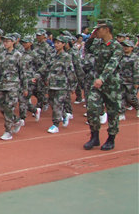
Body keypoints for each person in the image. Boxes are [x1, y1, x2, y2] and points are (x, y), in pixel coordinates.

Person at [83, 19, 123, 151]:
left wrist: (102, 78)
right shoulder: (98, 44)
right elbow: (87, 49)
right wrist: (91, 38)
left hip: (111, 84)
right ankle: (94, 136)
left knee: (113, 112)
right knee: (92, 108)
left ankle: (111, 138)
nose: (96, 31)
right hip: (97, 84)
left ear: (107, 30)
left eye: (99, 29)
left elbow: (112, 65)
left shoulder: (116, 46)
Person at [0, 33, 26, 141]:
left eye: (7, 41)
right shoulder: (1, 55)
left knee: (9, 108)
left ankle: (8, 131)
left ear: (13, 42)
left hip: (13, 86)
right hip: (2, 85)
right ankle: (16, 120)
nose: (5, 43)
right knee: (2, 107)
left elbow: (23, 72)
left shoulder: (18, 55)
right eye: (4, 41)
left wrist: (25, 87)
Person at [43, 35, 76, 134]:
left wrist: (73, 85)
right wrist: (38, 75)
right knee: (52, 103)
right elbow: (46, 66)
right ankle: (64, 115)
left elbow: (70, 71)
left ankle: (55, 124)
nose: (56, 45)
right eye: (55, 42)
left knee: (57, 104)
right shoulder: (52, 55)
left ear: (64, 44)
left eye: (58, 43)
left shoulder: (66, 57)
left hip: (62, 85)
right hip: (51, 84)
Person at [118, 39, 139, 119]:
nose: (125, 47)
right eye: (124, 46)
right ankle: (122, 113)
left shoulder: (135, 58)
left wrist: (136, 82)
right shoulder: (120, 56)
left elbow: (136, 70)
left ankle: (137, 107)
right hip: (121, 80)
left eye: (127, 46)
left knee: (130, 98)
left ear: (132, 48)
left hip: (130, 81)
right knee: (120, 97)